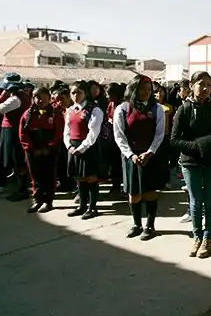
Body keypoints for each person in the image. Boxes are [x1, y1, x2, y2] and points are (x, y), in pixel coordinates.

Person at [171, 71, 211, 258]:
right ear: (192, 85)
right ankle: (196, 236)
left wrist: (209, 145)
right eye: (201, 84)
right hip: (190, 161)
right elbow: (175, 139)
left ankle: (208, 237)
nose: (205, 88)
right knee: (195, 201)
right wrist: (196, 147)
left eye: (209, 85)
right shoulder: (184, 109)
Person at [113, 75, 167, 239]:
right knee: (134, 194)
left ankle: (150, 226)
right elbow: (119, 135)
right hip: (131, 156)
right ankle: (137, 224)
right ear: (134, 89)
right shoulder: (122, 109)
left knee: (150, 192)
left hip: (151, 156)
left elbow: (159, 134)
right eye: (143, 88)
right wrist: (131, 155)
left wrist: (150, 152)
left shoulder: (157, 109)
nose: (146, 92)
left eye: (149, 89)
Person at [19, 86, 65, 213]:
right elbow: (23, 133)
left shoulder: (56, 113)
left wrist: (48, 147)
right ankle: (38, 200)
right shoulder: (27, 113)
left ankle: (48, 201)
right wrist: (31, 148)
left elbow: (59, 133)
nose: (40, 100)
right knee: (35, 176)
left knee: (50, 175)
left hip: (50, 149)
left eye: (43, 97)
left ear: (49, 98)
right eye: (37, 97)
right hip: (33, 149)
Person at [64, 81, 105, 220]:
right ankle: (82, 205)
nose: (76, 95)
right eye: (73, 92)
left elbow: (93, 132)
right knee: (80, 177)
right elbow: (67, 131)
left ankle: (92, 207)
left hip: (88, 146)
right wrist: (69, 146)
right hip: (73, 145)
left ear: (85, 93)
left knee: (90, 178)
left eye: (79, 92)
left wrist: (82, 148)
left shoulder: (94, 109)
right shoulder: (70, 110)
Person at [0, 74, 33, 202]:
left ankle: (22, 190)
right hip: (17, 130)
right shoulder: (24, 97)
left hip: (12, 131)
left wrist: (0, 97)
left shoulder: (14, 100)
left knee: (17, 161)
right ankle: (21, 188)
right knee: (18, 161)